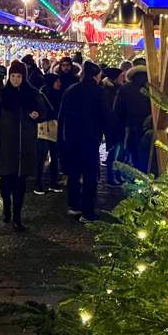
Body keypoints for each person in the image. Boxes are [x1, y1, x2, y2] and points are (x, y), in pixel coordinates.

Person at [0, 60, 46, 231]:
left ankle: (17, 217)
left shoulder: (32, 94)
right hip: (6, 144)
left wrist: (37, 115)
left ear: (23, 77)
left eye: (19, 76)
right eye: (13, 76)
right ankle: (6, 206)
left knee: (20, 182)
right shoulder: (2, 93)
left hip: (25, 145)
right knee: (5, 179)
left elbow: (43, 112)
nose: (16, 79)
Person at [58, 61, 106, 221]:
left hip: (72, 138)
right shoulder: (98, 92)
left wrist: (62, 138)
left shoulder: (71, 90)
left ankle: (74, 205)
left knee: (74, 173)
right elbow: (104, 116)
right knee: (90, 176)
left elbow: (62, 116)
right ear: (95, 75)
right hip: (90, 139)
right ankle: (88, 211)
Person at [114, 63, 151, 172]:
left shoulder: (125, 88)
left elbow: (118, 109)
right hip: (148, 126)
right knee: (146, 153)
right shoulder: (151, 89)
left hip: (131, 126)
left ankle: (134, 173)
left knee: (133, 152)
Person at [35, 72, 63, 195]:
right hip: (44, 129)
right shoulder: (42, 95)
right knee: (42, 158)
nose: (59, 83)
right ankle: (38, 184)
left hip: (54, 129)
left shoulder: (58, 94)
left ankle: (53, 182)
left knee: (54, 157)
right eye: (57, 81)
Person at [101, 66, 125, 185]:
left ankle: (117, 174)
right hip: (113, 125)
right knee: (114, 151)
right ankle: (111, 176)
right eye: (121, 76)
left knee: (119, 151)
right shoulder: (109, 91)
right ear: (115, 78)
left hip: (118, 124)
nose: (123, 78)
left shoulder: (118, 89)